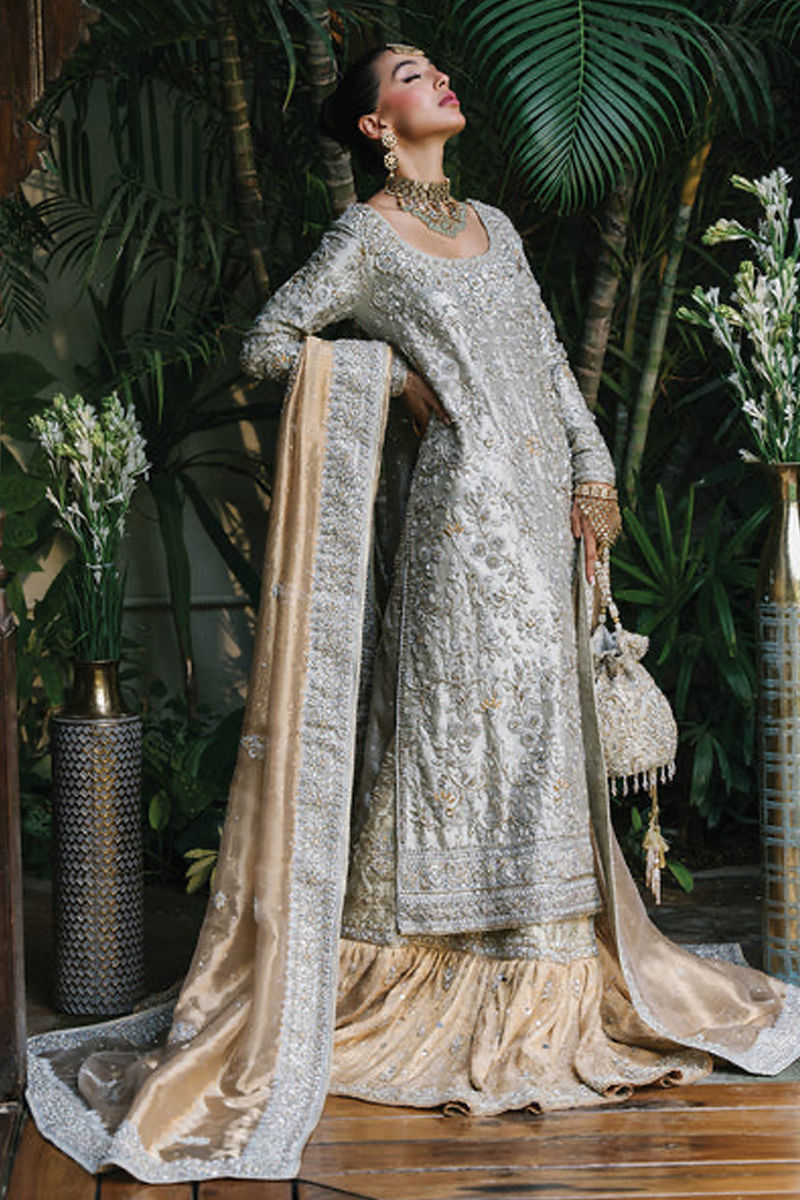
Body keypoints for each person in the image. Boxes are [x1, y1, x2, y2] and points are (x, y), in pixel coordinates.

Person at [25, 43, 800, 1185]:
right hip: (456, 527)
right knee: (451, 743)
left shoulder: (497, 225)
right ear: (376, 127)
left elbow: (547, 358)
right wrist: (392, 381)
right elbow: (268, 343)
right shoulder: (365, 236)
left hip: (540, 514)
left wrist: (593, 468)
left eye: (433, 67)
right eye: (408, 73)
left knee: (542, 742)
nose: (436, 77)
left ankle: (549, 971)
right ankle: (432, 975)